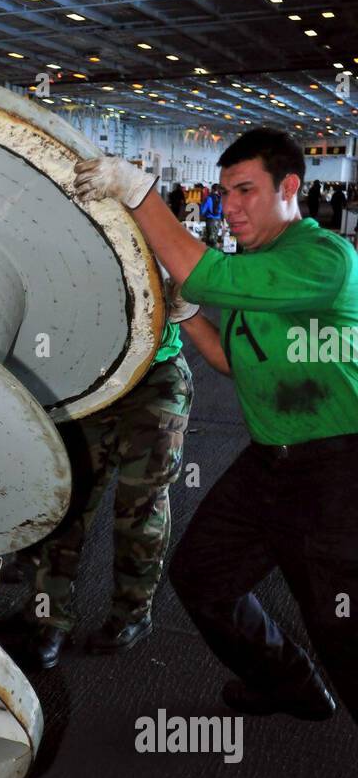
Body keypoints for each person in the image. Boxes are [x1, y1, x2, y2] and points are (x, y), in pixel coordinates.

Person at [74, 127, 358, 724]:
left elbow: (207, 273)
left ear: (290, 188)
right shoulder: (259, 266)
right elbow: (234, 363)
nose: (229, 205)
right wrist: (194, 316)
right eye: (226, 191)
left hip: (338, 469)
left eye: (246, 190)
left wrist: (139, 191)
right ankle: (289, 683)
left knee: (340, 627)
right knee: (202, 577)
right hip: (268, 465)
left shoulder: (324, 257)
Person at [24, 292, 194, 668]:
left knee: (142, 509)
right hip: (87, 380)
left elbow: (188, 294)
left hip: (155, 377)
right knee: (65, 504)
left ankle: (132, 615)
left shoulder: (158, 231)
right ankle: (49, 618)